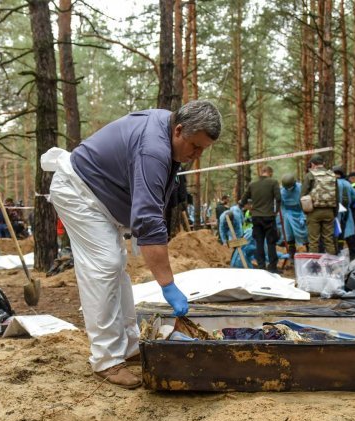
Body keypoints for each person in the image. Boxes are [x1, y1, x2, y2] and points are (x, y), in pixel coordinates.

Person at [41, 100, 222, 389]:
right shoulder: (154, 149)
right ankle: (105, 360)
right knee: (105, 265)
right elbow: (148, 219)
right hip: (77, 190)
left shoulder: (167, 133)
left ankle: (127, 344)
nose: (196, 156)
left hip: (98, 195)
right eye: (195, 146)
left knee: (116, 265)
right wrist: (167, 284)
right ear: (178, 130)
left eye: (203, 150)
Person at [239, 165, 281, 272]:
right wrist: (276, 212)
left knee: (259, 243)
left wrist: (244, 207)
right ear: (270, 173)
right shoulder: (273, 182)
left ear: (261, 172)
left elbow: (243, 200)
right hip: (269, 217)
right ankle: (272, 267)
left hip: (256, 217)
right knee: (271, 243)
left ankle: (261, 266)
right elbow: (279, 198)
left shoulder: (252, 184)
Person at [302, 154, 338, 254]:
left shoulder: (310, 175)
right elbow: (336, 195)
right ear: (324, 163)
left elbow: (303, 195)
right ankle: (332, 266)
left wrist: (305, 211)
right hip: (329, 211)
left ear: (312, 164)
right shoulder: (332, 175)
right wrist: (334, 212)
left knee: (313, 241)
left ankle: (314, 267)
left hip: (314, 211)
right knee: (329, 240)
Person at [333, 166, 355, 259]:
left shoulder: (331, 183)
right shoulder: (348, 184)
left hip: (334, 212)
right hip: (346, 211)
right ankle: (354, 256)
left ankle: (336, 254)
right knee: (348, 233)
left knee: (335, 233)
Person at [278, 172, 308, 257]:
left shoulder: (300, 188)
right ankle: (291, 254)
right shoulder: (282, 191)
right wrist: (285, 215)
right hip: (288, 214)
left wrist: (303, 216)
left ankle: (309, 250)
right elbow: (282, 206)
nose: (289, 189)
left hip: (300, 212)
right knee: (289, 234)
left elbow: (305, 203)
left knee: (305, 233)